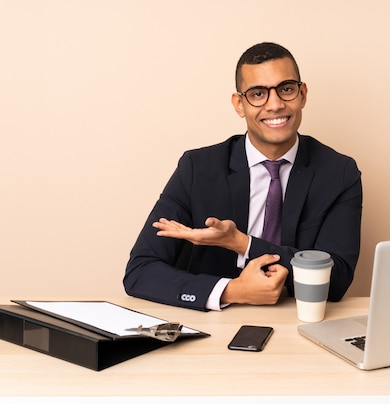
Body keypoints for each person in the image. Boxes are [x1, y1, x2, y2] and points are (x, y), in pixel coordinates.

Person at [123, 42, 362, 311]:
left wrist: (241, 244)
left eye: (286, 89)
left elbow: (338, 277)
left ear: (302, 94)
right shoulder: (198, 168)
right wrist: (232, 291)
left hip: (299, 322)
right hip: (214, 324)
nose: (275, 105)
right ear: (239, 104)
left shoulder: (338, 172)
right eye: (258, 93)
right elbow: (140, 272)